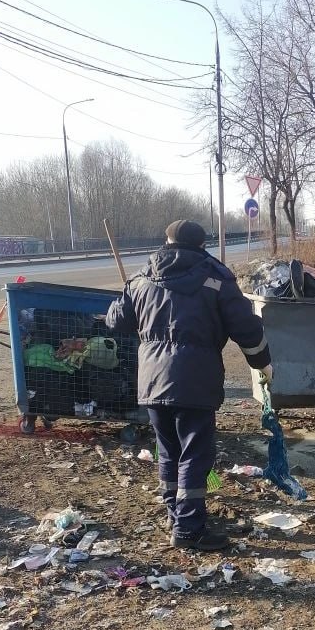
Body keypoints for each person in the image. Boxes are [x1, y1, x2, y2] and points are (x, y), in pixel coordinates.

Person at [106, 219, 272, 552]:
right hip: (196, 379)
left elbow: (115, 320)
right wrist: (262, 363)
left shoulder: (141, 277)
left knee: (169, 451)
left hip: (152, 380)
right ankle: (188, 530)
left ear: (167, 240)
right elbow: (246, 328)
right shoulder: (217, 277)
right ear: (202, 245)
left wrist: (128, 303)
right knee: (195, 455)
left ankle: (176, 515)